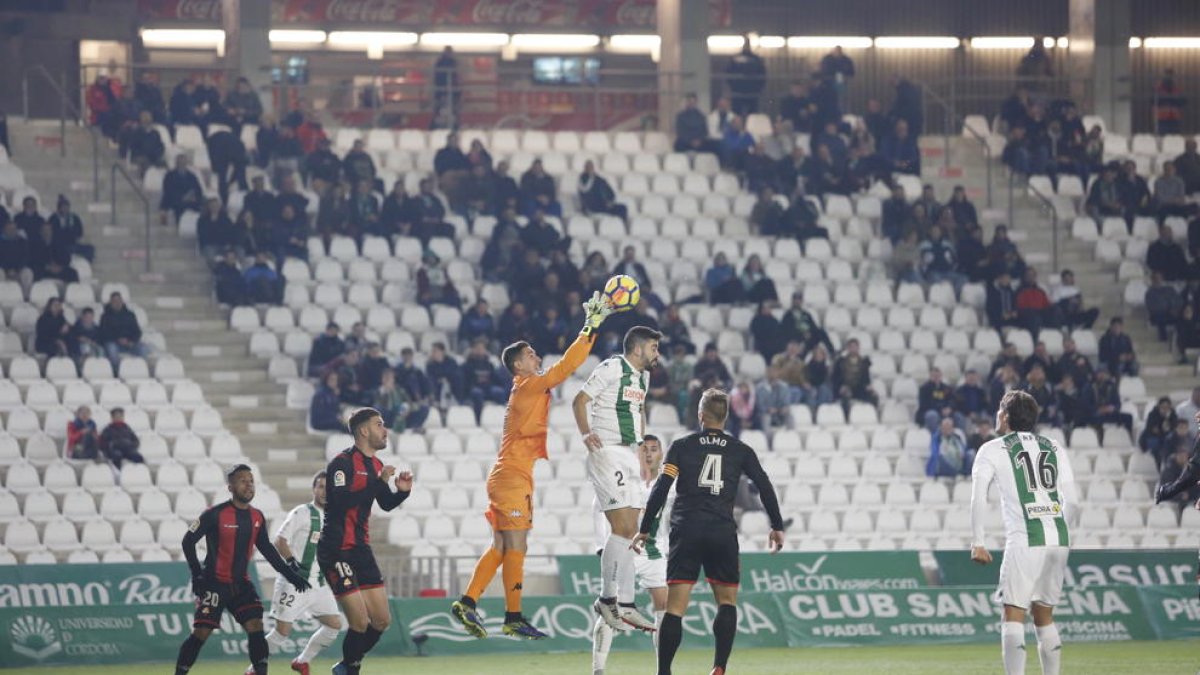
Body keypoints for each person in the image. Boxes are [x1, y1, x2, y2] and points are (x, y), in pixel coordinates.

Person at [451, 294, 610, 640]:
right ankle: (511, 615)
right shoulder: (528, 385)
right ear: (518, 366)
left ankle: (470, 603)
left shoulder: (524, 388)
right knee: (517, 545)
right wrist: (590, 327)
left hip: (509, 475)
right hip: (511, 478)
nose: (536, 357)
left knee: (502, 547)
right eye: (530, 355)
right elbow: (567, 367)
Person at [633, 388, 785, 675]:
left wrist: (644, 528)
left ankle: (664, 672)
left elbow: (661, 488)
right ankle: (719, 668)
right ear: (725, 417)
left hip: (687, 529)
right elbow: (764, 486)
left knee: (675, 608)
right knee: (726, 602)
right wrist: (776, 525)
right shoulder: (741, 450)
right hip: (721, 531)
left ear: (700, 415)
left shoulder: (682, 445)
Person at [969, 390, 1076, 675]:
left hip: (1026, 538)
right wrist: (1062, 534)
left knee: (1013, 614)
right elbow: (1073, 501)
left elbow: (979, 497)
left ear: (1004, 416)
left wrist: (978, 542)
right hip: (1059, 538)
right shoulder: (1053, 447)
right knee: (1044, 615)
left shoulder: (992, 449)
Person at [174, 464, 311, 675]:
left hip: (241, 584)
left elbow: (267, 550)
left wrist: (291, 575)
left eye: (251, 481)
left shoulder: (257, 517)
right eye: (243, 481)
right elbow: (187, 541)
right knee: (201, 632)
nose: (249, 485)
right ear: (230, 487)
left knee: (255, 625)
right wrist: (196, 575)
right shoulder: (214, 514)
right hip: (214, 583)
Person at [572, 326, 662, 634]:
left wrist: (642, 454)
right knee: (623, 529)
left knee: (632, 531)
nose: (656, 354)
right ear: (637, 349)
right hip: (607, 450)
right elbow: (579, 400)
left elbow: (640, 413)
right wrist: (586, 433)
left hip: (629, 455)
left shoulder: (643, 378)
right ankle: (606, 598)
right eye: (653, 348)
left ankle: (625, 603)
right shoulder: (612, 367)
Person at [318, 409, 412, 675]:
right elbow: (338, 501)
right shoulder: (341, 463)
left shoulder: (376, 466)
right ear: (363, 431)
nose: (385, 430)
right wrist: (376, 482)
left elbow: (384, 502)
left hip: (361, 549)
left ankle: (347, 665)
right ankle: (351, 669)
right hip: (335, 550)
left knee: (381, 621)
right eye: (379, 425)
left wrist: (401, 493)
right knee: (359, 622)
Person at [591, 436, 671, 675]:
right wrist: (600, 545)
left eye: (654, 449)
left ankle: (662, 669)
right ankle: (598, 670)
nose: (648, 453)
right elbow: (598, 505)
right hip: (625, 551)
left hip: (655, 552)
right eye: (644, 449)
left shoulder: (669, 484)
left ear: (661, 454)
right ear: (636, 453)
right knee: (611, 610)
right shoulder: (627, 480)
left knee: (664, 607)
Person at [252, 472, 341, 675]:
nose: (324, 491)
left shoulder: (334, 517)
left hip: (319, 584)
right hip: (294, 583)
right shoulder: (302, 512)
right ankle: (253, 670)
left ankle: (302, 661)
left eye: (328, 487)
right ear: (313, 490)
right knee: (281, 633)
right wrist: (291, 563)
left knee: (334, 625)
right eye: (320, 486)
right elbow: (280, 540)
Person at [99, 292, 147, 368]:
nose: (117, 303)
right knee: (111, 349)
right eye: (114, 301)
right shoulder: (105, 316)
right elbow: (103, 333)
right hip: (114, 343)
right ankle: (116, 372)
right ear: (111, 302)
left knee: (143, 348)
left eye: (119, 300)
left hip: (129, 343)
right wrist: (118, 339)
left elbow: (137, 331)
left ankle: (141, 369)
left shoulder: (130, 315)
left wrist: (131, 341)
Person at [725, 41, 767, 116]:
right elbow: (729, 73)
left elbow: (762, 75)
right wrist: (733, 87)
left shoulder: (756, 59)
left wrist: (758, 89)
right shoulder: (736, 59)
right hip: (738, 92)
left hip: (752, 92)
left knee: (752, 115)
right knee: (737, 114)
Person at [160, 154, 204, 224]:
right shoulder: (169, 175)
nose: (182, 164)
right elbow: (168, 190)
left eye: (184, 163)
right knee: (180, 206)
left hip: (191, 200)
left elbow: (198, 189)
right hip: (175, 200)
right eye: (180, 163)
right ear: (176, 163)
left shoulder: (191, 176)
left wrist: (193, 195)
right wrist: (182, 197)